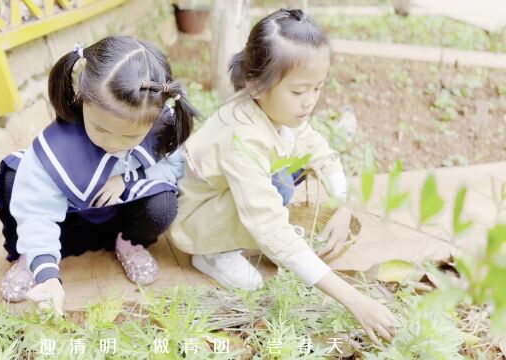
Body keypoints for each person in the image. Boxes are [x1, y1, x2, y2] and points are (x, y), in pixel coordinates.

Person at [167, 9, 397, 346]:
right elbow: (270, 226)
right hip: (195, 218)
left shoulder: (276, 106)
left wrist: (342, 205)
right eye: (299, 91)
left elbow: (320, 150)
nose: (310, 102)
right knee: (275, 207)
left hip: (222, 196)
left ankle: (239, 243)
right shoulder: (241, 137)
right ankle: (213, 253)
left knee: (286, 179)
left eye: (317, 88)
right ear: (256, 85)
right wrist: (355, 301)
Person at [0, 35, 197, 314]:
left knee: (162, 201)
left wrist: (127, 178)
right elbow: (37, 209)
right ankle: (34, 258)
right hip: (67, 220)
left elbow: (172, 166)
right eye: (101, 130)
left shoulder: (158, 125)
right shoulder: (60, 145)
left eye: (130, 136)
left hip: (115, 215)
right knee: (15, 179)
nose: (114, 144)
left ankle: (129, 243)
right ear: (82, 99)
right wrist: (48, 278)